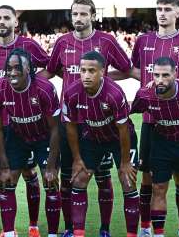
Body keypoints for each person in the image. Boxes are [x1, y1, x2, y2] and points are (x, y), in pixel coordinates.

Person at [112, 0, 179, 237]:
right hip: (152, 122)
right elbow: (134, 71)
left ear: (177, 13)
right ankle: (145, 228)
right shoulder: (143, 41)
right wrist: (105, 76)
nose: (162, 13)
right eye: (159, 8)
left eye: (167, 9)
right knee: (148, 179)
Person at [41, 0, 132, 237]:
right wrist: (24, 82)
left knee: (102, 177)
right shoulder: (62, 42)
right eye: (74, 14)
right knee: (69, 178)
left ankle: (104, 229)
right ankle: (71, 229)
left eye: (83, 14)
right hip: (70, 120)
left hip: (100, 122)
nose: (78, 19)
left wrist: (105, 80)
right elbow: (51, 71)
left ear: (93, 15)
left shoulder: (106, 41)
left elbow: (126, 68)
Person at [0, 5, 49, 236]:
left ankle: (33, 227)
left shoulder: (29, 46)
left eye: (7, 18)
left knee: (29, 172)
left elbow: (51, 67)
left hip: (25, 124)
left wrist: (31, 86)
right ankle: (7, 230)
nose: (2, 22)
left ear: (16, 22)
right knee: (4, 177)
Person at [63, 51, 139, 237]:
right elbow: (71, 127)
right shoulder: (72, 93)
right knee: (80, 179)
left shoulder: (114, 93)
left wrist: (125, 162)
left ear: (102, 72)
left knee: (127, 181)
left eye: (92, 71)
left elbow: (123, 130)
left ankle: (131, 234)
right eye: (83, 70)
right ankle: (78, 233)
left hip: (120, 139)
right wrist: (77, 159)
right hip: (92, 137)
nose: (86, 75)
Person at [131, 57, 179, 237]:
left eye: (165, 75)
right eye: (156, 75)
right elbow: (124, 112)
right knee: (158, 188)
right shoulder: (145, 95)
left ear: (175, 74)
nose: (160, 80)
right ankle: (158, 234)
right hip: (162, 145)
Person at [0, 48, 62, 237]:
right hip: (17, 136)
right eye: (9, 68)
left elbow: (55, 128)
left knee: (50, 181)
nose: (12, 72)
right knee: (5, 181)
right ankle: (10, 232)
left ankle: (49, 233)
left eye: (18, 67)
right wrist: (3, 165)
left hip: (43, 136)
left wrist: (52, 166)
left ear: (29, 68)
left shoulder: (45, 89)